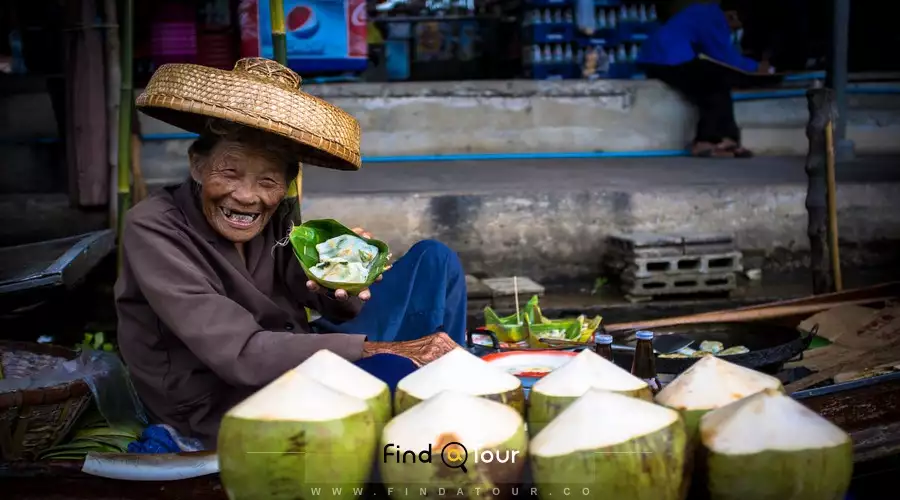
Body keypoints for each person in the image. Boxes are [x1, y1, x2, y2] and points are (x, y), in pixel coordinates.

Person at [115, 58, 465, 448]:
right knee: (394, 374)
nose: (247, 196)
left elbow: (319, 298)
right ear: (197, 166)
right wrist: (378, 349)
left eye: (268, 181)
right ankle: (430, 386)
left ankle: (444, 375)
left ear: (285, 185)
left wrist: (347, 274)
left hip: (293, 351)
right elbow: (241, 353)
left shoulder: (275, 214)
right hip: (218, 398)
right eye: (229, 174)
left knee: (434, 260)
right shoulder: (153, 226)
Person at [637, 0, 772, 158]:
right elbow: (723, 56)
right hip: (666, 62)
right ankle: (709, 141)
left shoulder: (704, 13)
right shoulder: (714, 19)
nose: (733, 31)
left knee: (714, 82)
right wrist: (757, 68)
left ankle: (725, 139)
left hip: (662, 60)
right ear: (731, 16)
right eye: (736, 26)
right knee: (714, 84)